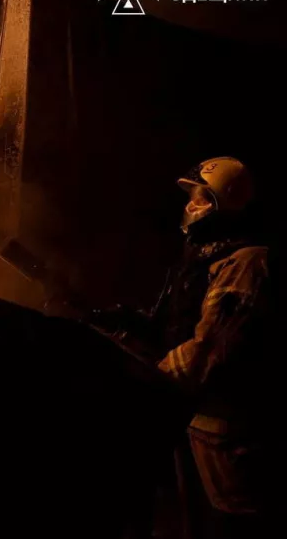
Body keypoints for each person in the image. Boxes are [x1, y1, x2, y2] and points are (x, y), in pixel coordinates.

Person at [93, 157, 280, 538]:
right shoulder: (202, 257)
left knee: (234, 522)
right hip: (190, 417)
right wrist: (125, 322)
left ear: (227, 206)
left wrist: (146, 383)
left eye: (201, 199)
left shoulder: (246, 263)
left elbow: (208, 349)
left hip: (226, 433)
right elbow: (173, 323)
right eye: (191, 198)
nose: (190, 207)